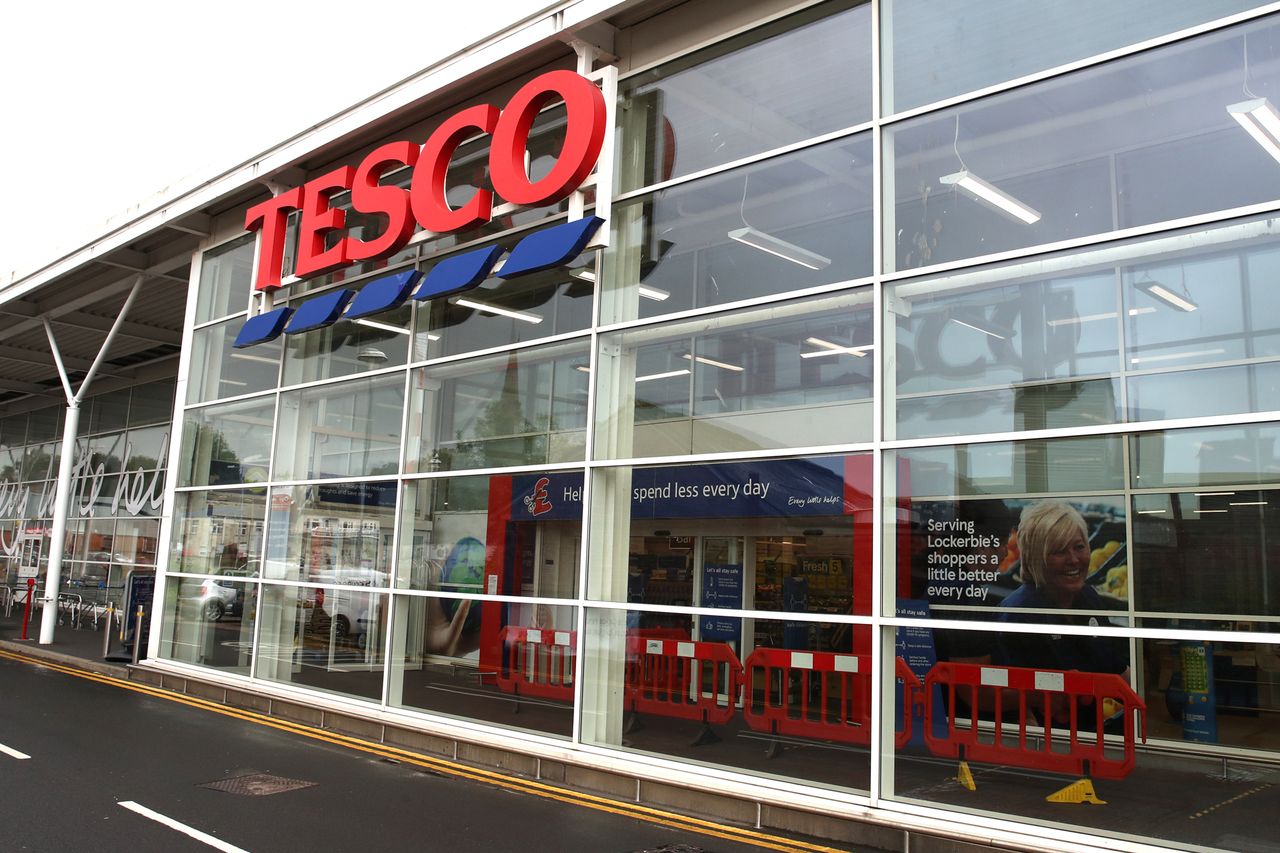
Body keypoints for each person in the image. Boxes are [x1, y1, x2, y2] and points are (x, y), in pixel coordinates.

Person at [997, 502, 1129, 732]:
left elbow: (1117, 672)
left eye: (1079, 547)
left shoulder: (1088, 598)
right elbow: (1011, 702)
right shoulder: (1020, 614)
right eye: (1059, 551)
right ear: (1036, 558)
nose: (1073, 559)